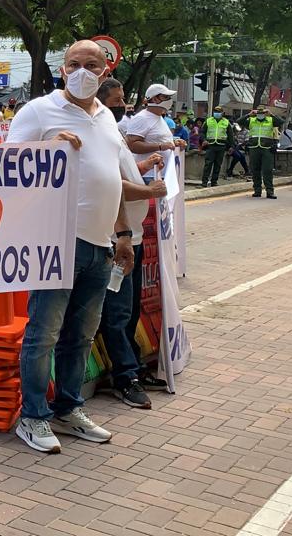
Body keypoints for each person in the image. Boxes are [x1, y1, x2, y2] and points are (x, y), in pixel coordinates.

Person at [5, 40, 134, 454]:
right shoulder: (39, 111)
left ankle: (68, 407)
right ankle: (33, 416)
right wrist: (44, 149)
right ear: (62, 69)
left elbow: (110, 181)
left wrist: (124, 234)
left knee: (80, 336)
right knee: (43, 333)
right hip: (55, 242)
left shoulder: (108, 119)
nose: (82, 71)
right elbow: (4, 167)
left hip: (99, 247)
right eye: (74, 64)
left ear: (105, 69)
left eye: (91, 64)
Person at [96, 78, 169, 409]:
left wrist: (146, 165)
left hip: (133, 238)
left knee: (131, 310)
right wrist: (148, 191)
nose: (123, 104)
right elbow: (112, 185)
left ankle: (133, 367)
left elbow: (126, 172)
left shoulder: (117, 136)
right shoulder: (101, 137)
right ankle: (125, 377)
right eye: (116, 99)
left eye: (123, 98)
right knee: (118, 311)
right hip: (116, 240)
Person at [126, 84, 186, 166]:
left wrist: (174, 143)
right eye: (165, 97)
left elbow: (159, 140)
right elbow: (132, 145)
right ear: (155, 99)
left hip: (161, 172)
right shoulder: (142, 118)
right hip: (149, 174)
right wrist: (160, 146)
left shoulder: (159, 117)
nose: (169, 100)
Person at [239, 105, 282, 199]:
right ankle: (257, 190)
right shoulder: (252, 120)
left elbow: (280, 122)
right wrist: (249, 115)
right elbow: (240, 121)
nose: (260, 115)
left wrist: (272, 114)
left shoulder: (270, 120)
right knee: (255, 170)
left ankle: (270, 191)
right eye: (259, 113)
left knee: (267, 170)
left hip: (267, 148)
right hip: (254, 148)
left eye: (262, 113)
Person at [200, 108, 232, 187]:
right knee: (208, 164)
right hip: (210, 145)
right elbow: (202, 132)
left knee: (218, 165)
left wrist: (231, 146)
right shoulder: (208, 121)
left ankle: (214, 181)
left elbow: (230, 135)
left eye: (219, 112)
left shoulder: (226, 122)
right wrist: (204, 140)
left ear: (222, 113)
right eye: (215, 112)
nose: (217, 113)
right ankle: (204, 182)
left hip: (221, 146)